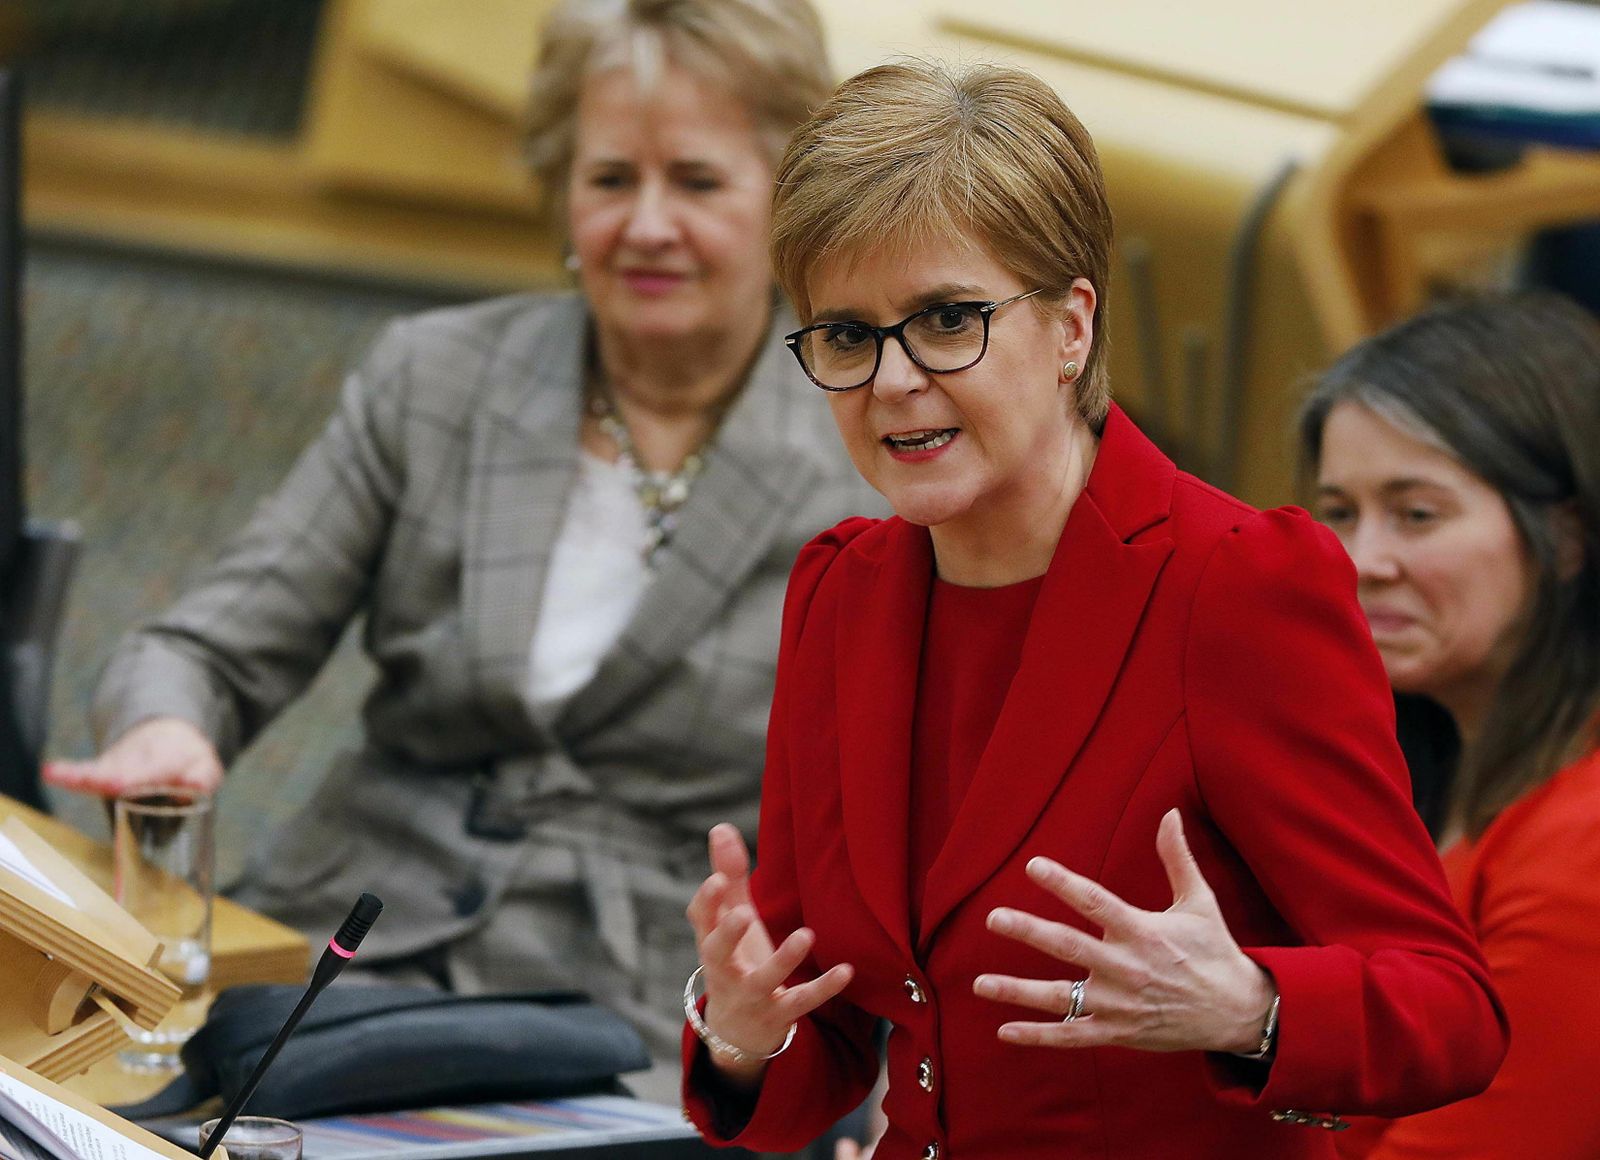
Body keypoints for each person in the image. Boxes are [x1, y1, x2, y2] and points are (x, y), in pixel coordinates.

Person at [44, 0, 881, 1101]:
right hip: (343, 945)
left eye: (698, 180)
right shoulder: (435, 377)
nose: (647, 224)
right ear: (559, 186)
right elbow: (205, 644)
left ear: (785, 197)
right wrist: (166, 728)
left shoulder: (865, 443)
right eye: (610, 178)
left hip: (636, 1006)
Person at [678, 59, 1509, 1158]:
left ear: (1072, 325)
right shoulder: (839, 589)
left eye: (944, 318)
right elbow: (822, 1037)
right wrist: (739, 1033)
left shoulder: (1236, 583)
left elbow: (1451, 1009)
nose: (890, 380)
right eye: (845, 334)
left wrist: (1248, 1005)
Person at [1302, 293, 1600, 1160]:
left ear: (1568, 537)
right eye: (1340, 512)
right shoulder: (1408, 784)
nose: (1364, 562)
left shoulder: (1579, 847)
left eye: (1417, 514)